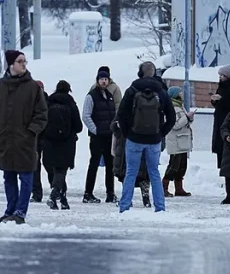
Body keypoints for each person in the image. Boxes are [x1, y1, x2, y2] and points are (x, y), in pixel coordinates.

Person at [0, 50, 48, 225]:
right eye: (21, 61)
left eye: (25, 61)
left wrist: (31, 132)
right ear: (11, 64)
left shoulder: (33, 87)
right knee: (8, 176)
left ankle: (21, 212)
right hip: (5, 140)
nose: (24, 64)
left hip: (25, 141)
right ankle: (10, 210)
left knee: (26, 177)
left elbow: (42, 114)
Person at [116, 61, 176, 213]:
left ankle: (124, 206)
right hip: (154, 139)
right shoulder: (161, 91)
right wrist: (161, 133)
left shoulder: (133, 89)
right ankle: (160, 207)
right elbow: (171, 117)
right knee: (154, 173)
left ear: (140, 72)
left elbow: (121, 114)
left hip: (134, 138)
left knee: (130, 172)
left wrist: (127, 132)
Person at [42, 80, 84, 210]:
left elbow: (42, 122)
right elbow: (78, 126)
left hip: (49, 142)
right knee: (61, 171)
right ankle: (54, 195)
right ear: (68, 90)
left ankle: (63, 200)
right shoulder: (71, 104)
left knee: (54, 171)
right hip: (66, 144)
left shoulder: (48, 103)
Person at [82, 69, 118, 204]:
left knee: (110, 166)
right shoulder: (91, 96)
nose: (104, 81)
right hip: (97, 137)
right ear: (97, 80)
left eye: (106, 79)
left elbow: (113, 114)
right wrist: (95, 130)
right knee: (94, 164)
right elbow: (86, 115)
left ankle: (110, 193)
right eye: (101, 79)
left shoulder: (109, 95)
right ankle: (88, 193)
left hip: (109, 136)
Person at [163, 86, 194, 197]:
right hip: (175, 141)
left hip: (182, 140)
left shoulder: (180, 107)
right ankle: (164, 187)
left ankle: (179, 188)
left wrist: (189, 118)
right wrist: (186, 117)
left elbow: (184, 122)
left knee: (182, 166)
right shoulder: (171, 108)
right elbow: (175, 125)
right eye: (180, 93)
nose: (182, 94)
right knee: (174, 165)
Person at [211, 65, 230, 170]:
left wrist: (221, 99)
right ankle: (220, 166)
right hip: (219, 116)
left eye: (222, 75)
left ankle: (226, 166)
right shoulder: (221, 86)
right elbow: (218, 104)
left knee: (226, 142)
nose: (220, 77)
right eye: (220, 75)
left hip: (227, 117)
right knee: (219, 143)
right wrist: (214, 100)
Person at [31, 80, 48, 204]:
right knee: (35, 167)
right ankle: (37, 193)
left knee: (49, 165)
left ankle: (56, 189)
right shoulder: (28, 103)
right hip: (34, 138)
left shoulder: (48, 102)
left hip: (45, 138)